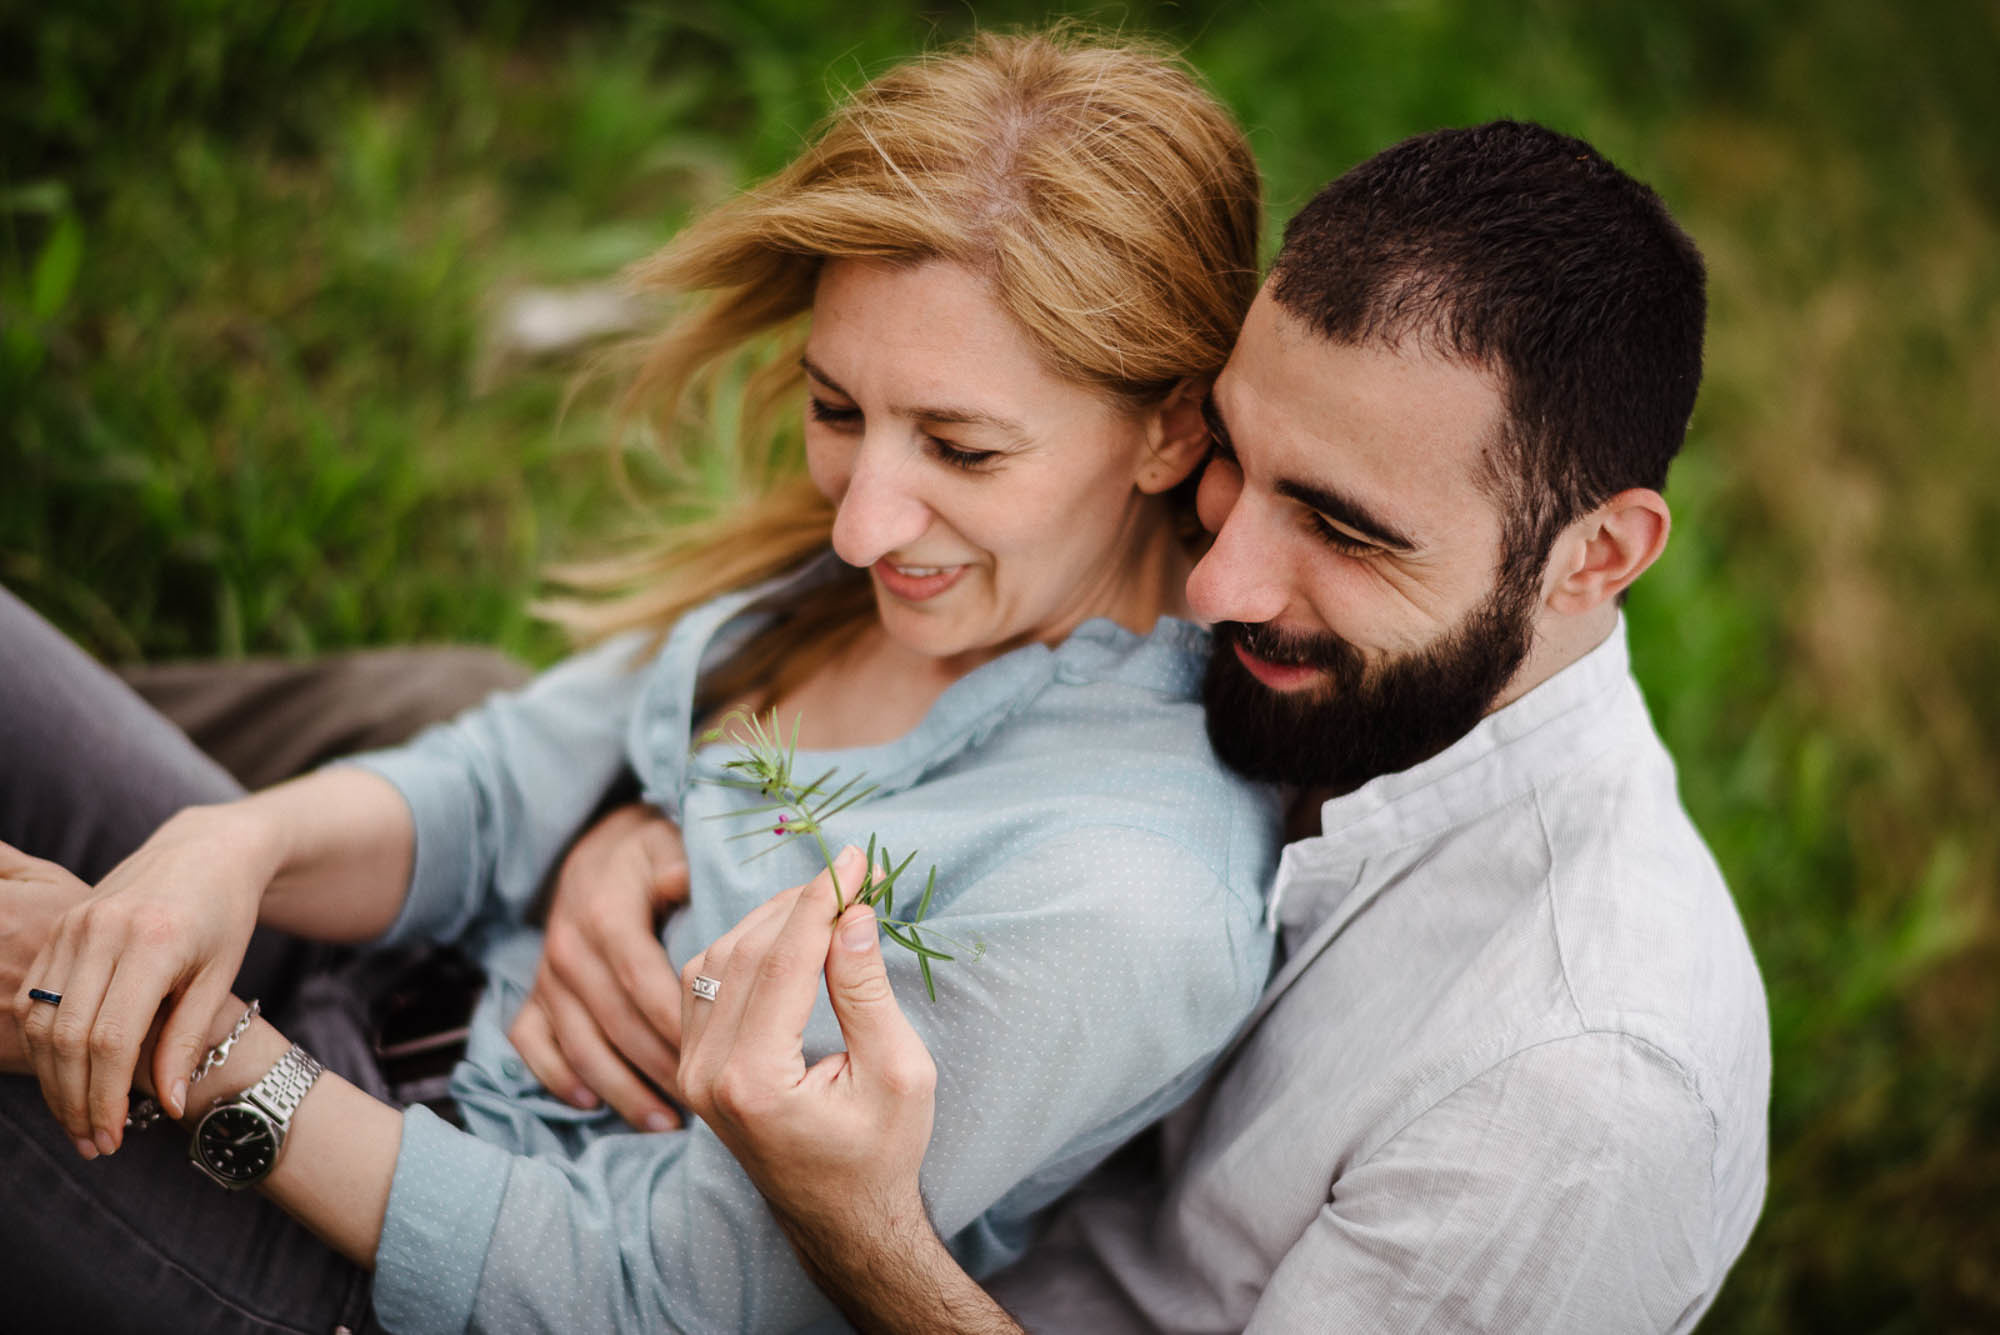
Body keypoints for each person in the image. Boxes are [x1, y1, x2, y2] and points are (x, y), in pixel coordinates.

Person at [0, 30, 1283, 1334]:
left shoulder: (1123, 894)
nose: (858, 527)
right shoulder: (910, 574)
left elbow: (650, 1294)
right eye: (836, 409)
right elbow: (494, 789)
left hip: (378, 1273)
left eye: (961, 449)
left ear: (1169, 427)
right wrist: (231, 847)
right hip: (355, 989)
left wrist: (204, 1046)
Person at [600, 122, 1775, 1333]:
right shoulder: (1294, 663)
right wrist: (642, 827)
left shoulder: (1575, 1089)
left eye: (1343, 531)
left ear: (1595, 556)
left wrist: (859, 1234)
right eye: (1230, 454)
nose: (1213, 585)